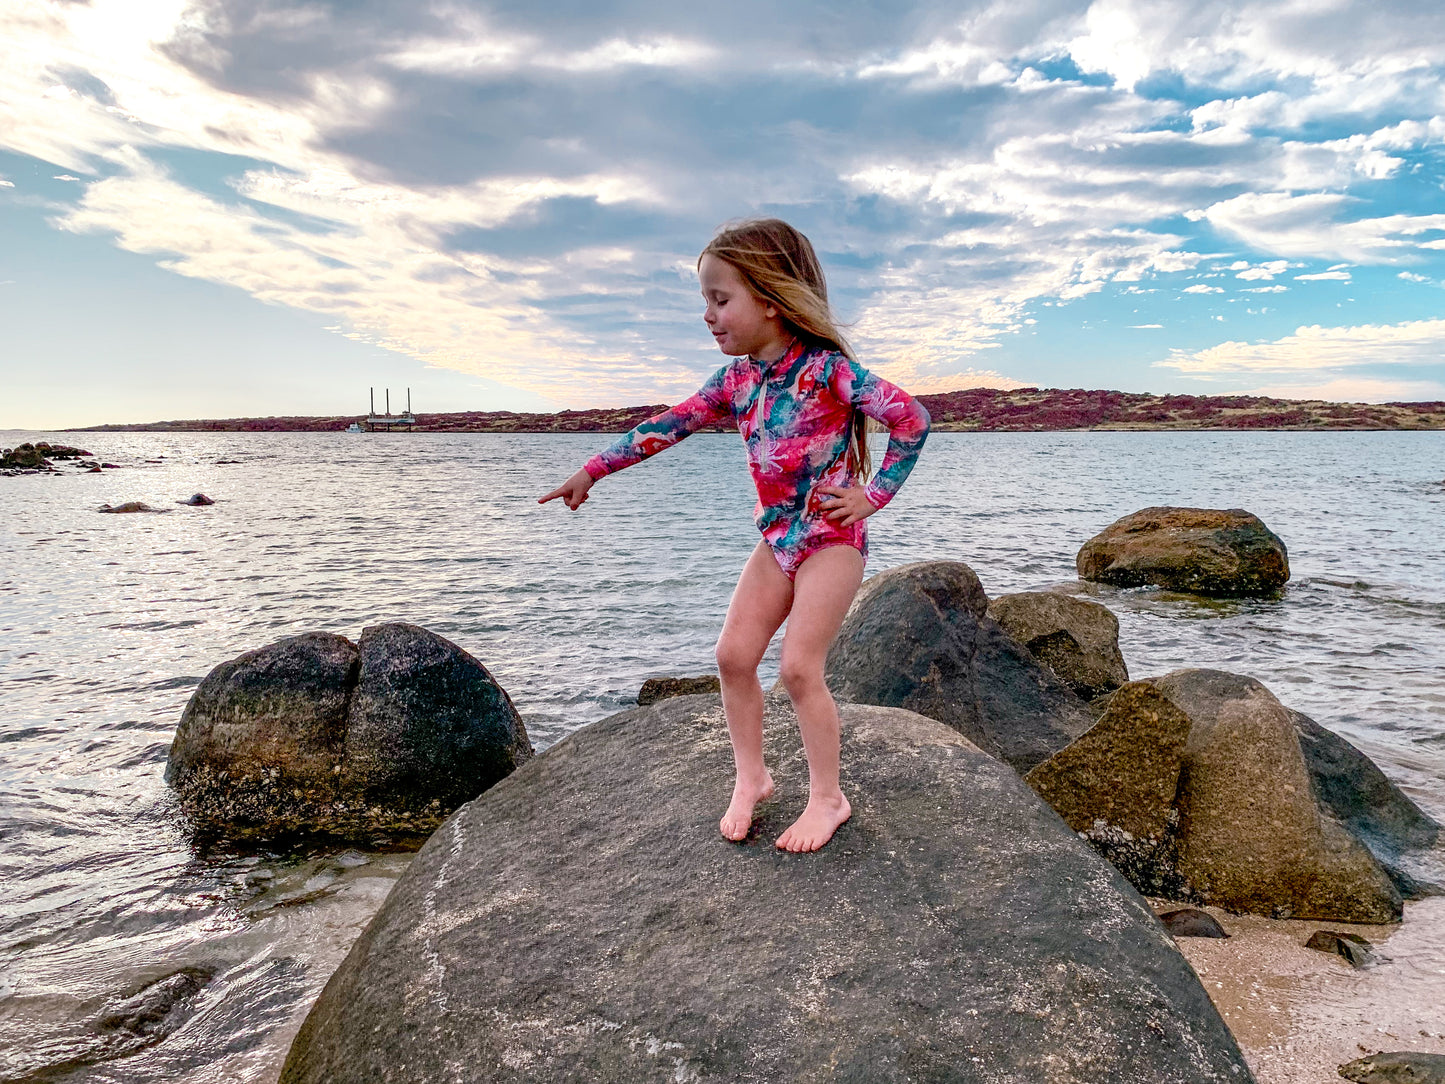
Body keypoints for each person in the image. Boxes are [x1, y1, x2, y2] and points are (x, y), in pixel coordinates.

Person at [539, 218, 929, 853]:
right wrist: (592, 470)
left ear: (772, 301)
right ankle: (753, 777)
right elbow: (669, 425)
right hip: (778, 539)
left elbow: (911, 418)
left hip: (831, 540)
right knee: (732, 657)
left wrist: (872, 496)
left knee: (800, 667)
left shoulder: (829, 372)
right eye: (706, 302)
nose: (709, 316)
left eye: (720, 300)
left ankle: (829, 799)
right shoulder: (737, 381)